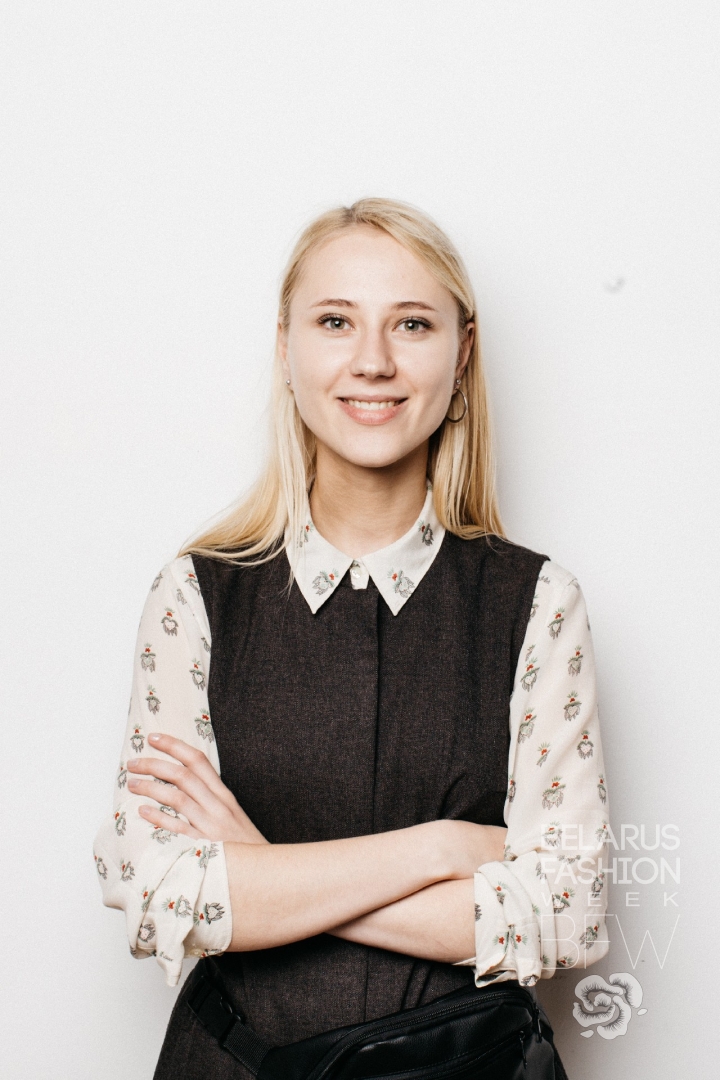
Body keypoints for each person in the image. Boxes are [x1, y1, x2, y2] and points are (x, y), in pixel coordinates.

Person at [94, 198, 610, 1079]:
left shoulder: (537, 602)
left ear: (463, 354)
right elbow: (154, 889)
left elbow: (570, 912)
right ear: (287, 349)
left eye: (412, 324)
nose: (373, 360)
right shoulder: (196, 595)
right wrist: (439, 849)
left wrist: (262, 870)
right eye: (335, 321)